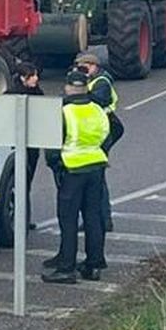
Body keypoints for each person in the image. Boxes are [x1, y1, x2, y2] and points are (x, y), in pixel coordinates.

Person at [43, 72, 111, 284]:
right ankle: (94, 265)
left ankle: (66, 269)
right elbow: (109, 132)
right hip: (96, 167)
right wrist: (98, 151)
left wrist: (56, 165)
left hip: (72, 170)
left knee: (68, 221)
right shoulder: (97, 109)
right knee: (93, 217)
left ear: (67, 88)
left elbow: (52, 146)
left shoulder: (64, 112)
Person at [75, 51, 123, 232]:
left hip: (102, 131)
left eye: (85, 67)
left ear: (94, 66)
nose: (82, 70)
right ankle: (98, 219)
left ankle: (103, 219)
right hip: (96, 131)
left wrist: (80, 90)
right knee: (95, 178)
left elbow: (97, 101)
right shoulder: (92, 81)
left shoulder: (101, 82)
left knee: (97, 178)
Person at [11, 61, 47, 231]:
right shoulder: (12, 95)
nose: (35, 78)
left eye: (36, 75)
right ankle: (19, 218)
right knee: (18, 183)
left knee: (27, 183)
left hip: (32, 145)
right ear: (21, 78)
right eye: (31, 76)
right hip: (16, 146)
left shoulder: (38, 94)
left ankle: (25, 218)